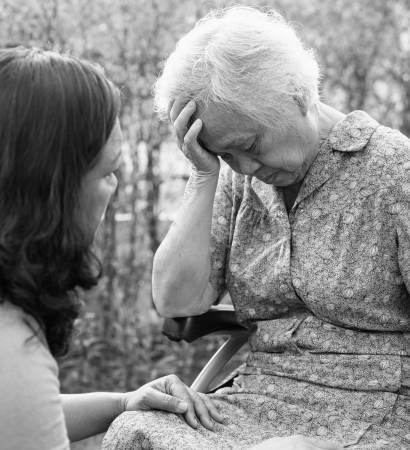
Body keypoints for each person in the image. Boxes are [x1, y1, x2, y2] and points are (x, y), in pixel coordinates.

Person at [103, 6, 410, 450]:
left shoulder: (393, 170)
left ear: (297, 95)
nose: (245, 167)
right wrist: (205, 175)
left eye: (248, 144)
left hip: (381, 407)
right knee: (135, 432)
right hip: (261, 395)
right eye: (225, 154)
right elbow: (176, 299)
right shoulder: (235, 178)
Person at [0, 46, 224, 450]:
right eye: (107, 171)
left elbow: (21, 414)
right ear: (51, 190)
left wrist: (122, 402)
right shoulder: (11, 349)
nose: (115, 187)